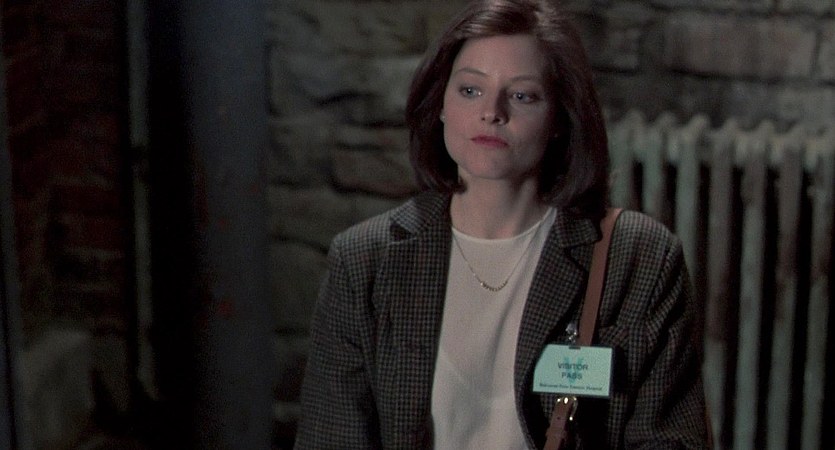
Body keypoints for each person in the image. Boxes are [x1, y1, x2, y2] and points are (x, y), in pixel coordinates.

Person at [294, 0, 709, 448]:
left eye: (522, 96)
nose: (491, 112)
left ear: (559, 117)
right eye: (470, 90)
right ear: (440, 104)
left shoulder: (639, 258)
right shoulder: (365, 261)